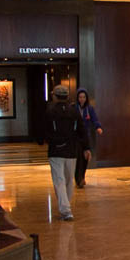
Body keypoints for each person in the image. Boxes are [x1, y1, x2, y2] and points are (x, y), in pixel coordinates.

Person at [45, 84, 90, 221]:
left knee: (59, 180)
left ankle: (66, 210)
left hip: (55, 151)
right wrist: (86, 147)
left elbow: (44, 130)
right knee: (69, 179)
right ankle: (66, 207)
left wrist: (44, 140)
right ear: (67, 96)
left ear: (55, 96)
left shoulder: (50, 111)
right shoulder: (74, 111)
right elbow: (82, 130)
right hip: (72, 150)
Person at [74, 88, 103, 188]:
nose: (82, 99)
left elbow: (95, 119)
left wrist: (98, 127)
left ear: (86, 98)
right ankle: (79, 179)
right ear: (77, 98)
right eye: (80, 97)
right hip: (76, 137)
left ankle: (82, 177)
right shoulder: (74, 108)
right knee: (78, 158)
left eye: (84, 97)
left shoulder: (89, 109)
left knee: (86, 157)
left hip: (86, 136)